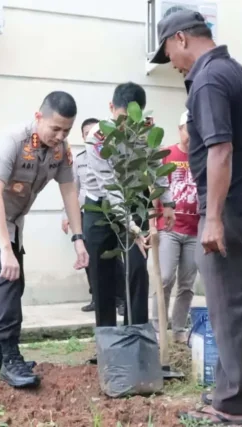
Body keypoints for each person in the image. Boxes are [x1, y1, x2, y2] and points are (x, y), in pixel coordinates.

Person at [150, 9, 242, 424]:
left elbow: (220, 150)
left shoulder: (208, 79)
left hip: (233, 208)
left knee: (231, 309)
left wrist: (213, 218)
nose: (171, 63)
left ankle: (235, 405)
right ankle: (231, 393)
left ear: (182, 39)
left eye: (169, 51)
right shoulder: (238, 72)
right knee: (237, 307)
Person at [0, 91, 89, 389]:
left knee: (15, 283)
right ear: (38, 116)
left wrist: (78, 238)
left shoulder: (61, 150)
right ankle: (9, 355)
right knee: (7, 279)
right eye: (54, 128)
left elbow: (69, 189)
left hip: (12, 220)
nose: (60, 135)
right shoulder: (13, 140)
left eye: (66, 130)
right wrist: (5, 249)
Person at [83, 82, 176, 331]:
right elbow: (108, 186)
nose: (126, 127)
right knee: (102, 273)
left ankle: (136, 333)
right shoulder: (97, 138)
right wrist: (133, 229)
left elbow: (156, 167)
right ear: (111, 107)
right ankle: (107, 337)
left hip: (135, 201)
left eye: (131, 120)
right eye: (121, 119)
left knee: (137, 269)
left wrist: (167, 202)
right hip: (101, 205)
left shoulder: (147, 129)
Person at [61, 118, 125, 316]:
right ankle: (97, 298)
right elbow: (73, 188)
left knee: (114, 257)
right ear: (82, 136)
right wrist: (67, 215)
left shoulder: (111, 155)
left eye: (93, 131)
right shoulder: (78, 159)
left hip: (112, 208)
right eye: (86, 132)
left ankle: (121, 298)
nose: (90, 135)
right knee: (91, 259)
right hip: (89, 210)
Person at [150, 110, 199, 344]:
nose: (191, 135)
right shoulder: (167, 154)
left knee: (187, 284)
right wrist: (152, 224)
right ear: (180, 129)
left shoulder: (203, 157)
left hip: (195, 231)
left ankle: (179, 329)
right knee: (165, 277)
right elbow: (156, 190)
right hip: (169, 228)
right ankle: (157, 328)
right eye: (188, 129)